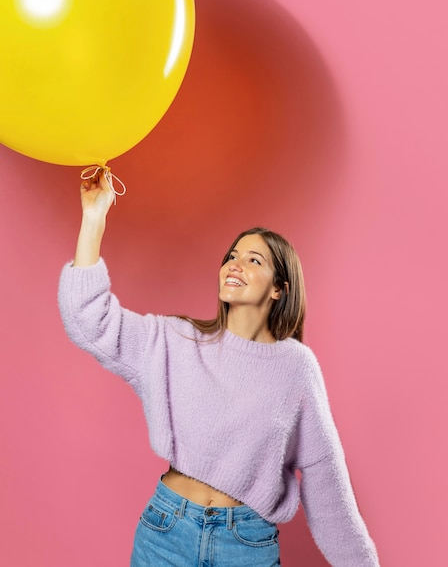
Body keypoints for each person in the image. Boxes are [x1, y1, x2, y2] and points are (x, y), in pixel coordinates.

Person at [58, 171, 380, 567]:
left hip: (245, 545)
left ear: (279, 288)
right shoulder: (176, 341)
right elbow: (88, 319)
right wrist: (94, 218)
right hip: (166, 531)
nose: (235, 264)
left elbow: (326, 483)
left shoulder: (296, 369)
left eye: (253, 259)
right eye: (231, 256)